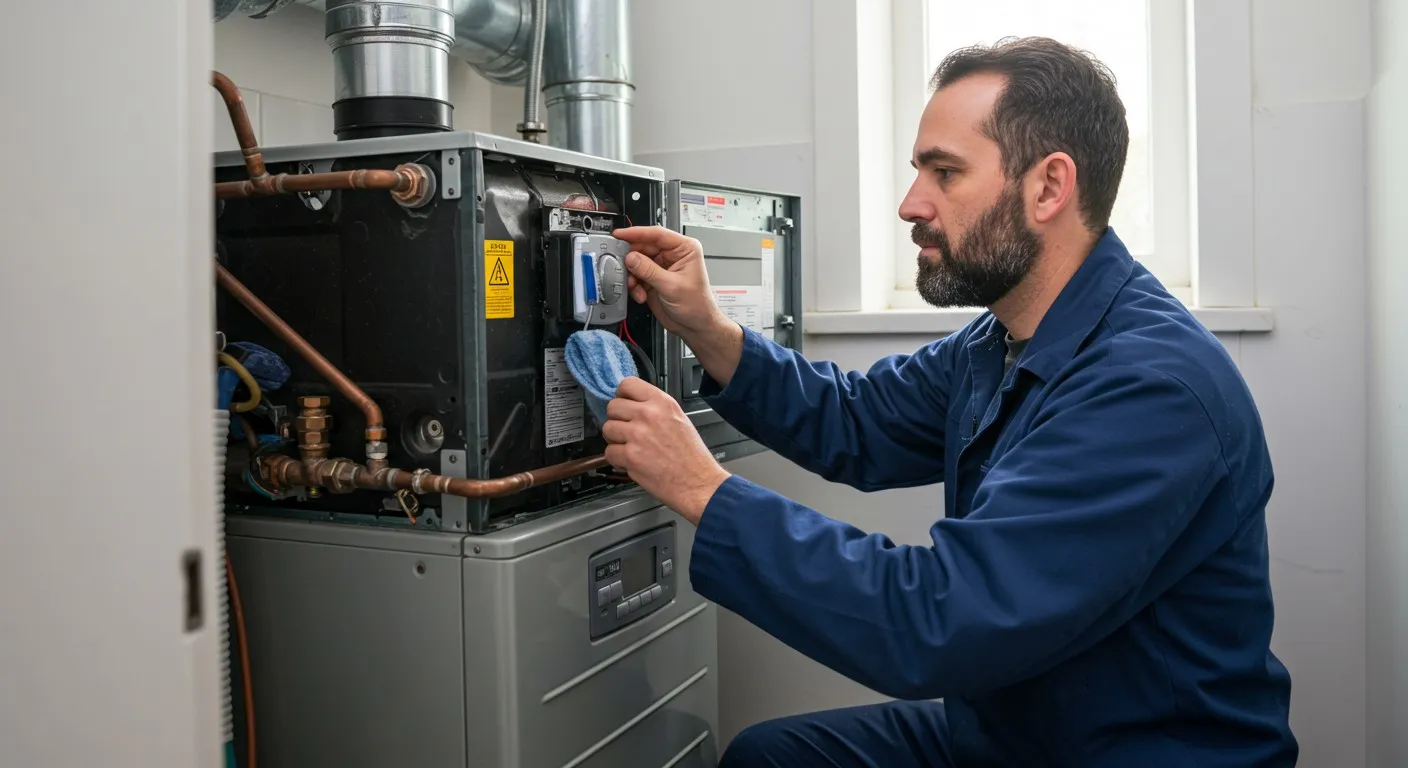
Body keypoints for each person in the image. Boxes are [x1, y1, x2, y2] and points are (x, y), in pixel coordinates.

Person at [601, 36, 1298, 766]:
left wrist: (702, 489)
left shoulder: (1150, 390)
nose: (911, 204)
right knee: (770, 758)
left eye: (945, 172)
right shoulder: (1002, 339)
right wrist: (709, 330)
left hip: (1129, 751)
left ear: (1048, 188)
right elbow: (859, 420)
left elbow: (941, 619)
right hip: (1017, 734)